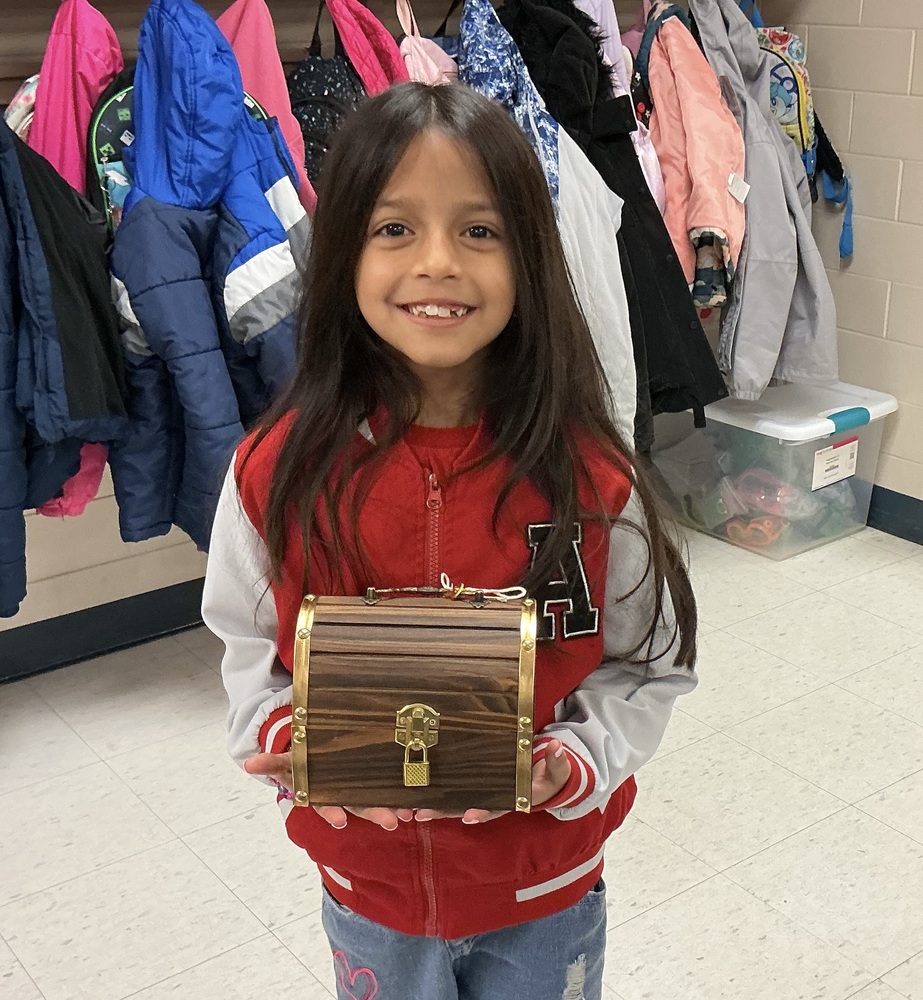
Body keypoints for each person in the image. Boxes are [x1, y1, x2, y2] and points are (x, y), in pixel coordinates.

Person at [202, 81, 698, 1000]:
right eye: (394, 228)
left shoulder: (592, 479)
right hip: (368, 891)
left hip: (545, 888)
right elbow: (248, 652)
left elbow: (646, 668)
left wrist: (575, 761)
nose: (437, 262)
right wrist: (287, 735)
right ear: (342, 250)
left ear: (530, 256)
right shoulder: (276, 473)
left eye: (479, 230)